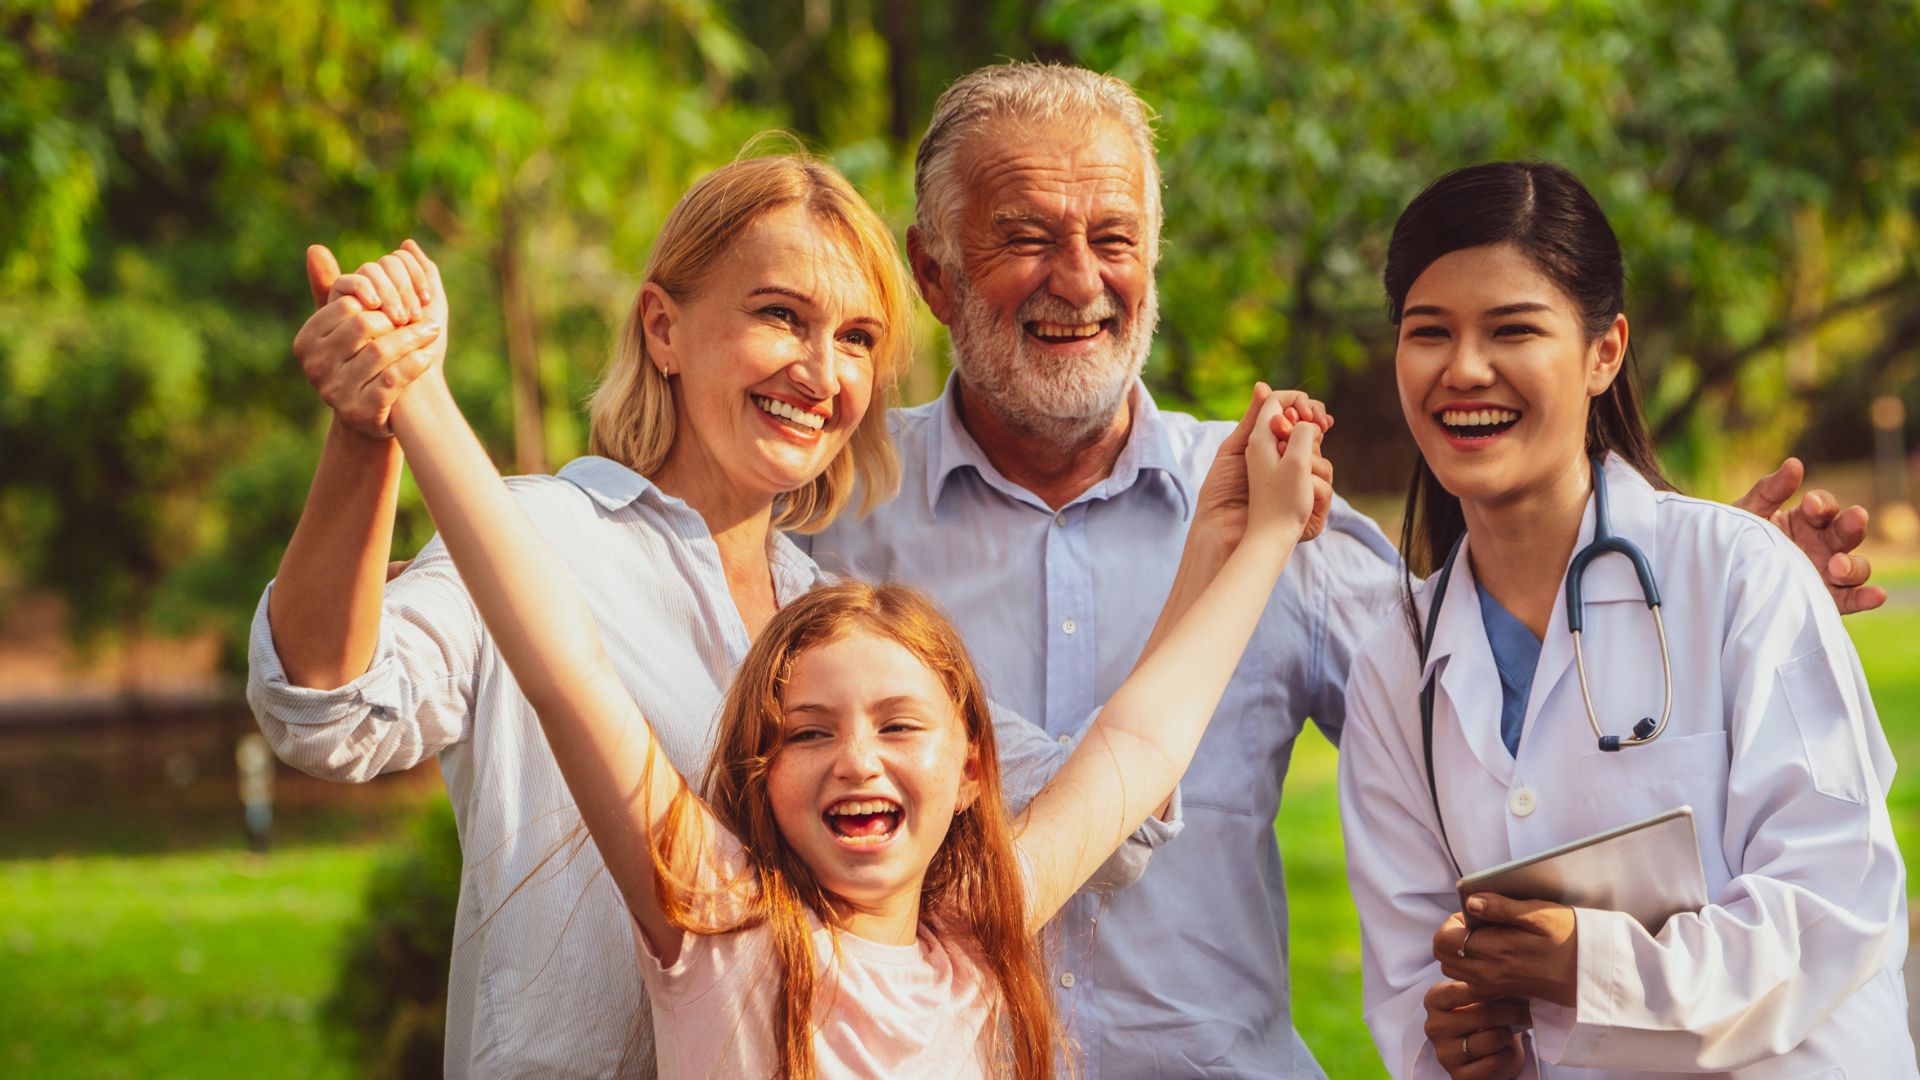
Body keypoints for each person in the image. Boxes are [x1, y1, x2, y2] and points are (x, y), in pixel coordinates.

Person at [803, 62, 1886, 1078]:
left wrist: (1702, 586)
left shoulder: (1279, 508)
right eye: (1025, 235)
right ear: (933, 273)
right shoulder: (834, 532)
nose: (1079, 278)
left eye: (1116, 236)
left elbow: (1517, 721)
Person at [246, 154, 1186, 1077]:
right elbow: (328, 710)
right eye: (782, 315)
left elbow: (1104, 801)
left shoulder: (835, 627)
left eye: (857, 339)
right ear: (664, 328)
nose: (822, 373)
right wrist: (370, 433)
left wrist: (1233, 530)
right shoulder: (533, 534)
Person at [378, 312, 1330, 1075]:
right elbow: (564, 670)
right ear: (760, 775)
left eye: (900, 724)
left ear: (969, 770)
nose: (857, 758)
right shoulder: (721, 928)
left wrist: (1262, 539)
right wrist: (416, 399)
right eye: (808, 734)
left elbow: (1142, 746)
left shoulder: (979, 937)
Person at [1336, 160, 1913, 1078]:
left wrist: (1590, 965)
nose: (1465, 368)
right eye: (1428, 332)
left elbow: (1833, 902)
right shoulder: (1394, 665)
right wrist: (1456, 1044)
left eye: (1514, 328)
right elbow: (1413, 979)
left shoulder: (1738, 574)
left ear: (1605, 353)